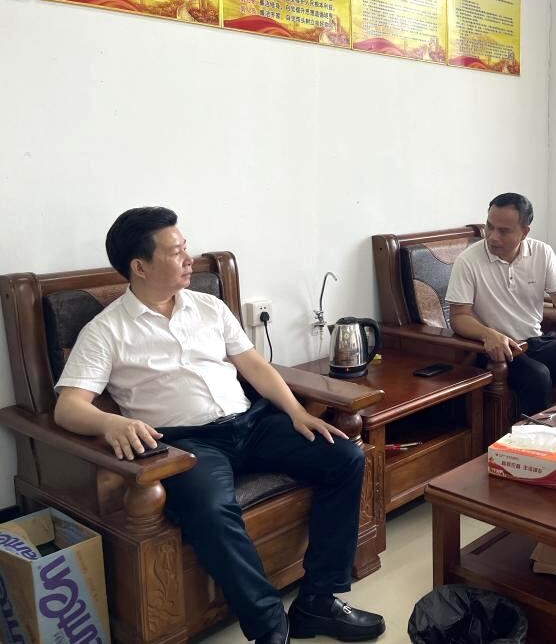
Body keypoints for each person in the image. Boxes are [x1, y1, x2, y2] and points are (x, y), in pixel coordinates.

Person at [53, 207, 384, 644]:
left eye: (186, 247)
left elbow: (255, 366)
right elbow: (68, 407)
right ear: (140, 266)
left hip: (251, 423)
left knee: (344, 456)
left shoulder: (209, 306)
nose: (188, 259)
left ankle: (318, 601)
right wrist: (109, 422)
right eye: (175, 252)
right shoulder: (107, 331)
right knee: (210, 508)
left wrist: (296, 411)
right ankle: (270, 626)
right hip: (186, 444)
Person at [446, 193, 556, 414]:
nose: (492, 236)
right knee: (537, 375)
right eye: (490, 226)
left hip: (535, 342)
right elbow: (459, 316)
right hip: (496, 351)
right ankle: (535, 435)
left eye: (504, 231)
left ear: (525, 232)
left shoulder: (542, 252)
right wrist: (487, 334)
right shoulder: (468, 261)